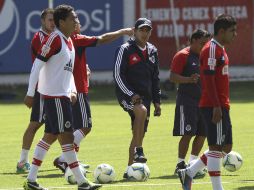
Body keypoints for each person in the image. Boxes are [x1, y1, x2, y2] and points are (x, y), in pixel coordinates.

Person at [23, 5, 101, 190]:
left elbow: (69, 72)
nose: (76, 21)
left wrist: (73, 89)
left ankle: (31, 180)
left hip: (63, 96)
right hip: (55, 97)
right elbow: (37, 66)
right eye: (72, 18)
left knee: (49, 137)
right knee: (66, 137)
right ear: (62, 22)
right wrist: (30, 93)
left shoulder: (68, 42)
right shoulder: (54, 39)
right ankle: (82, 182)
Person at [53, 18, 134, 173]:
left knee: (72, 127)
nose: (79, 23)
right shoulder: (76, 39)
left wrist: (84, 71)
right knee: (85, 126)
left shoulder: (66, 40)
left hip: (67, 89)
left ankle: (70, 160)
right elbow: (102, 39)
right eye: (75, 20)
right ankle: (65, 159)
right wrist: (123, 32)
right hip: (78, 90)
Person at [178, 14, 237, 190]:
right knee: (215, 147)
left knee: (226, 147)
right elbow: (208, 80)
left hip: (222, 104)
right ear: (221, 31)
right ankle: (217, 188)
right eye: (232, 31)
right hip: (213, 105)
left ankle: (188, 172)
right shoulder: (211, 49)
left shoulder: (221, 48)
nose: (235, 34)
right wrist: (216, 106)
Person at [113, 17, 161, 178]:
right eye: (141, 30)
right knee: (140, 111)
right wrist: (131, 94)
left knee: (139, 133)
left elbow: (155, 77)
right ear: (134, 31)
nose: (144, 33)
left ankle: (129, 170)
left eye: (147, 30)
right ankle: (139, 151)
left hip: (145, 97)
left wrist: (157, 101)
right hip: (127, 95)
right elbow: (118, 75)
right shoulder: (125, 49)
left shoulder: (153, 50)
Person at [16, 8, 55, 173]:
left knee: (60, 125)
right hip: (43, 88)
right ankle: (22, 161)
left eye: (54, 19)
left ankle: (68, 159)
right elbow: (41, 64)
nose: (52, 22)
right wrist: (31, 92)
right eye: (49, 20)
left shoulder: (54, 37)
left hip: (53, 87)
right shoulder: (40, 38)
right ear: (42, 21)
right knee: (35, 124)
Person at [170, 29, 210, 176]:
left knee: (202, 133)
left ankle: (193, 163)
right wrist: (188, 79)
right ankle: (180, 163)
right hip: (187, 101)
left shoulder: (207, 57)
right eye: (202, 43)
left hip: (205, 102)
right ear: (193, 41)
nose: (204, 46)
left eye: (207, 44)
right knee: (188, 132)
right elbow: (172, 77)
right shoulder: (182, 56)